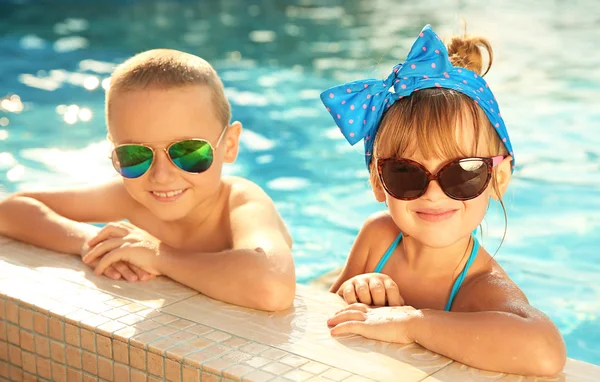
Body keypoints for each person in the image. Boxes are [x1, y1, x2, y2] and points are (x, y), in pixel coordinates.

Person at [321, 25, 566, 376]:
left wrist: (412, 324)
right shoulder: (377, 238)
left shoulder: (480, 289)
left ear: (497, 179)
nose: (433, 193)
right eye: (405, 173)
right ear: (377, 182)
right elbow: (324, 313)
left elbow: (545, 351)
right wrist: (353, 287)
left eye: (462, 173)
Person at [0, 49, 295, 312]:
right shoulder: (130, 195)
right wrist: (92, 242)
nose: (161, 175)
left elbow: (273, 287)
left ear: (228, 145)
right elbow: (10, 208)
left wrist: (160, 256)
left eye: (188, 152)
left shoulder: (240, 201)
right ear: (114, 152)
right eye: (135, 155)